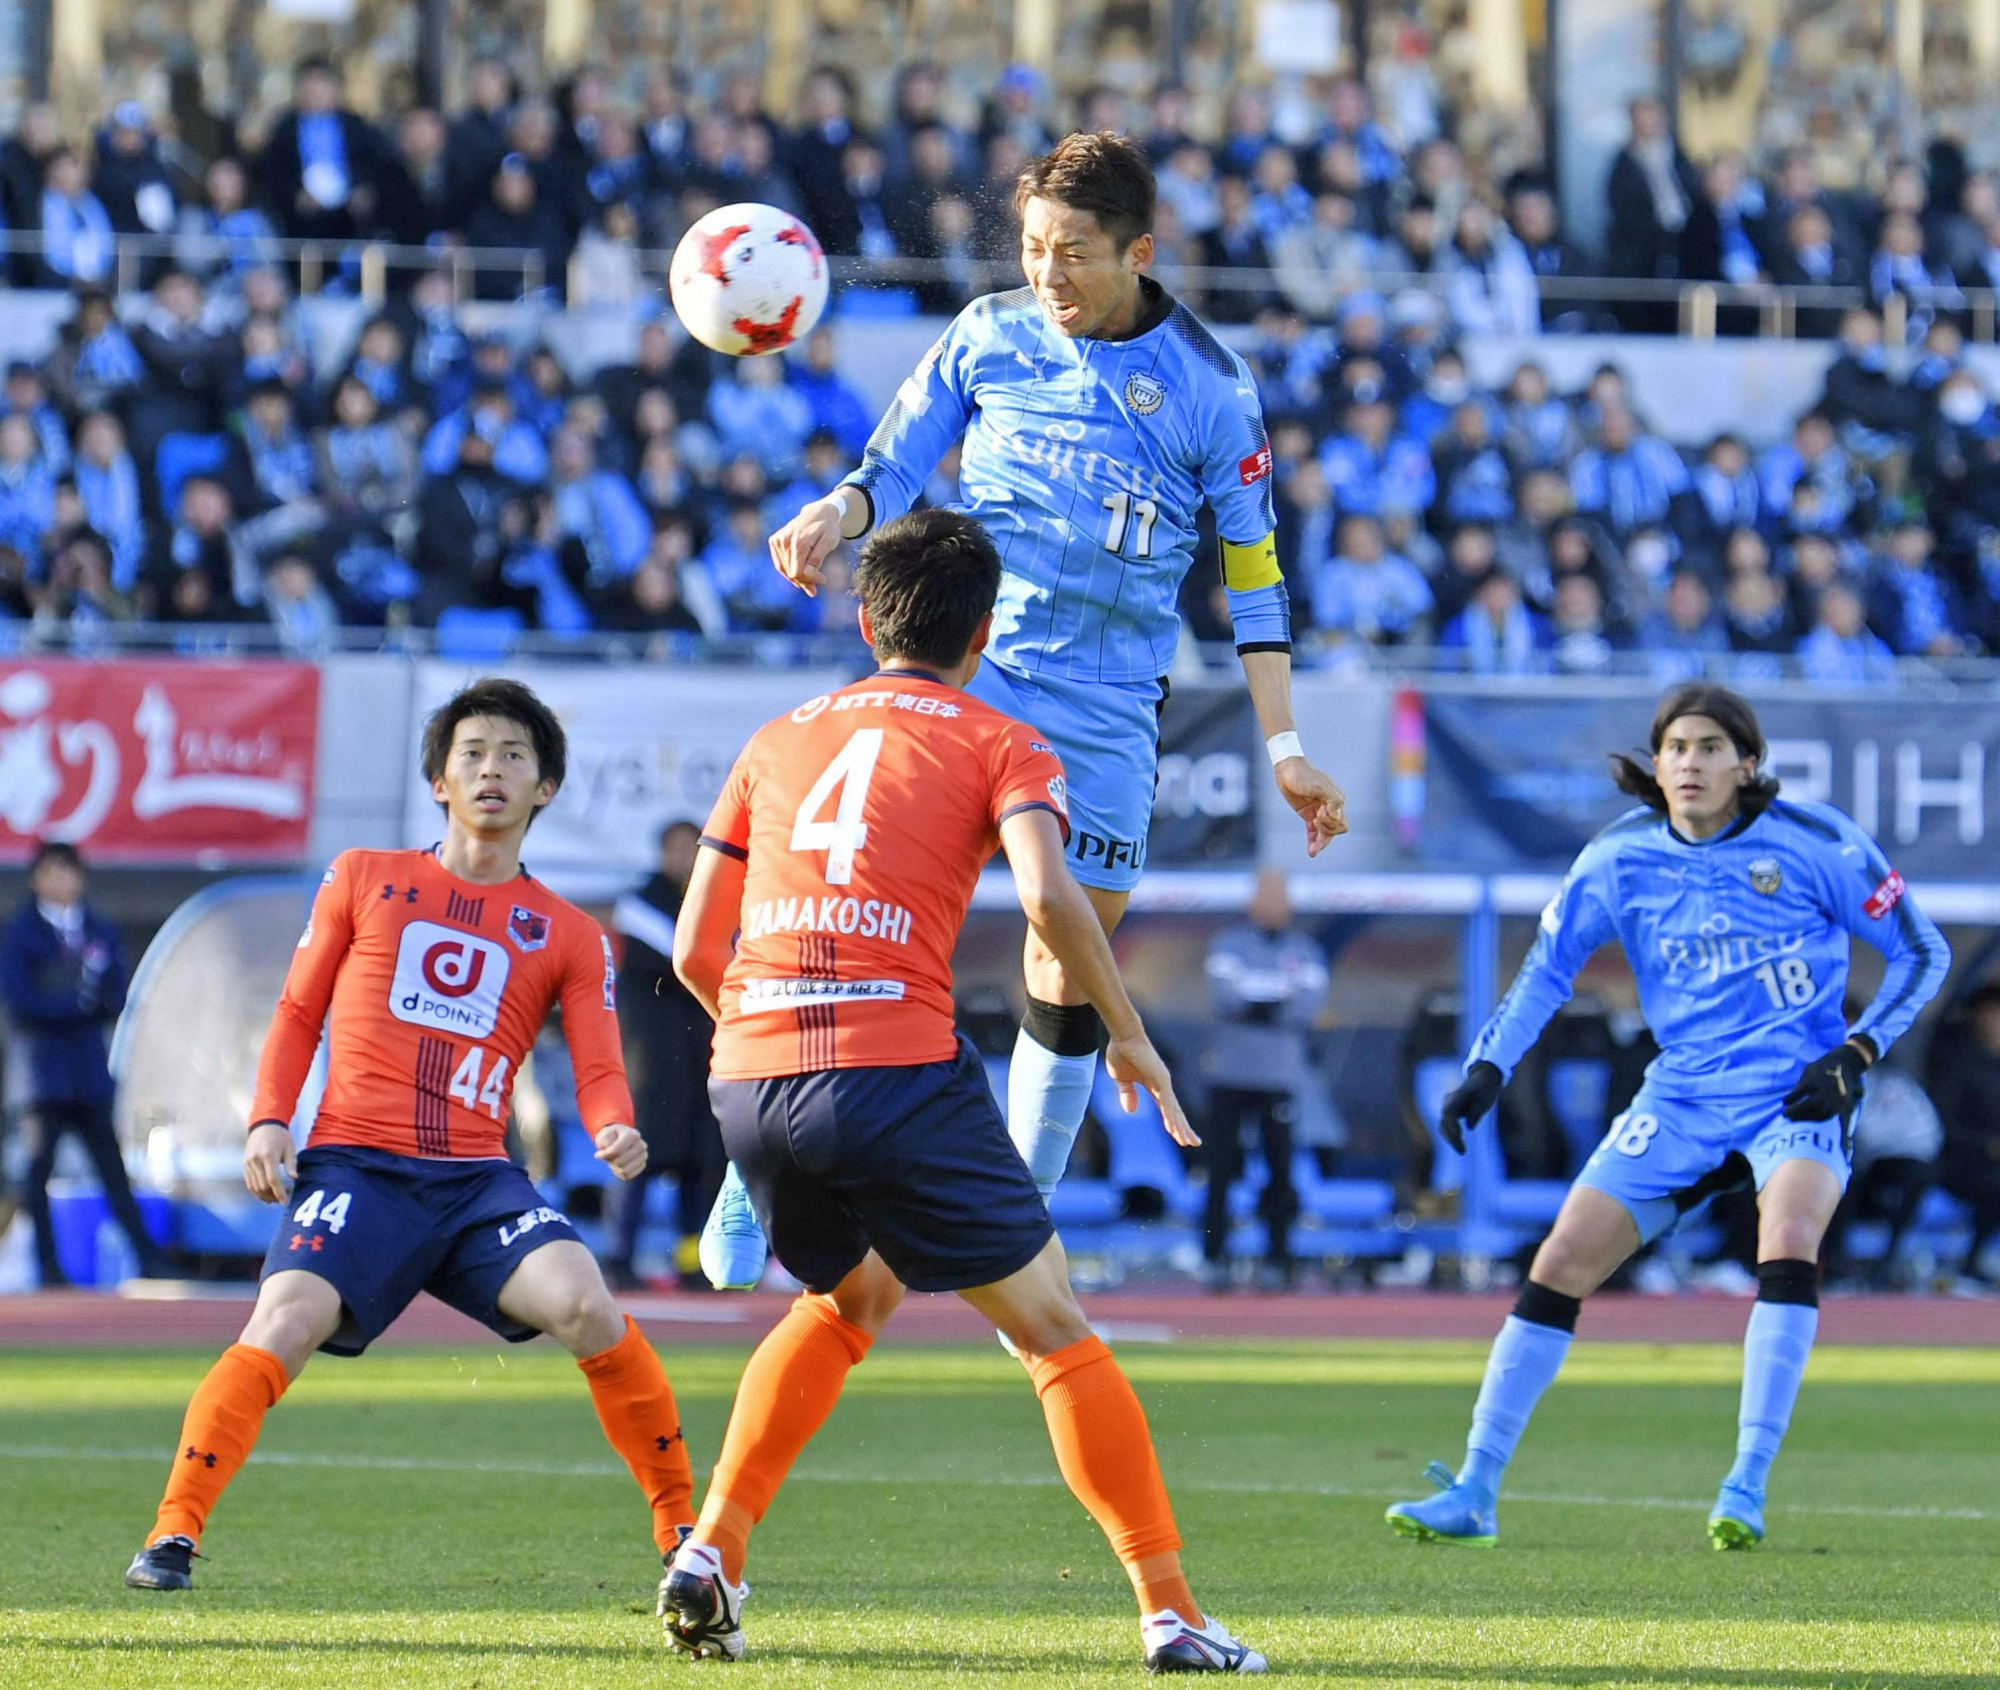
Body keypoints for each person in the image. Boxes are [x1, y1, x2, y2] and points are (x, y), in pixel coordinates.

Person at [712, 128, 1344, 1286]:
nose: (1046, 274)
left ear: (1139, 252)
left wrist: (1285, 746)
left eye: (1074, 254)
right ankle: (758, 1172)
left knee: (1071, 951)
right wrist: (833, 516)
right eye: (1034, 247)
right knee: (854, 901)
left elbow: (1252, 581)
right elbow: (893, 465)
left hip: (1107, 700)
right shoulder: (987, 333)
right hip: (969, 664)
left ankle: (1017, 1202)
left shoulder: (1211, 390)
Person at [664, 508, 1263, 1674]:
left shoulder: (775, 737)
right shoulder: (1003, 738)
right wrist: (1128, 1034)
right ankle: (1171, 1613)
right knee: (1052, 1332)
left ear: (863, 616)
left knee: (848, 1303)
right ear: (984, 632)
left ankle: (713, 1551)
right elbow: (1048, 900)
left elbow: (695, 949)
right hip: (892, 1066)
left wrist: (769, 1042)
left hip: (750, 1071)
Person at [122, 680, 696, 1595]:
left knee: (588, 1303)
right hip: (358, 1167)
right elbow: (299, 1005)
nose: (491, 770)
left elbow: (596, 1066)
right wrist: (270, 1115)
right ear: (439, 778)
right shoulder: (363, 877)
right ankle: (172, 1534)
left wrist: (614, 1126)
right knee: (284, 1320)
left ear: (545, 786)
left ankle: (683, 1538)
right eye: (472, 753)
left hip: (478, 1184)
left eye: (514, 755)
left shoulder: (572, 934)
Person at [1387, 684, 1947, 1552]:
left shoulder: (1816, 841)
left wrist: (1855, 1054)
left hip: (1791, 1094)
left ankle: (1746, 1483)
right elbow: (1546, 970)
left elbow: (1922, 949)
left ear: (1746, 764)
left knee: (1790, 1233)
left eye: (1710, 746)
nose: (1691, 761)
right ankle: (1474, 1490)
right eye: (1677, 747)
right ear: (1656, 764)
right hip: (1681, 1097)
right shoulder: (1618, 858)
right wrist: (1486, 1068)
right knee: (1564, 1256)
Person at [1, 842, 167, 1287]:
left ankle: (150, 1261)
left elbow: (115, 995)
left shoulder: (98, 927)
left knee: (112, 1168)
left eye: (68, 872)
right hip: (40, 1076)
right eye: (51, 872)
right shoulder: (20, 932)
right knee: (37, 1170)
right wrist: (76, 1004)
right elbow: (20, 1003)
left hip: (88, 1072)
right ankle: (49, 1269)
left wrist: (72, 1003)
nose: (61, 881)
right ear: (36, 879)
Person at [603, 821, 723, 1291]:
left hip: (700, 1059)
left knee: (699, 1165)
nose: (686, 859)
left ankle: (690, 1262)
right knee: (639, 1160)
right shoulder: (641, 905)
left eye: (693, 849)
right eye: (676, 849)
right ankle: (620, 1256)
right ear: (661, 853)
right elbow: (686, 958)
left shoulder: (710, 905)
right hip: (649, 1062)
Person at [1199, 871, 1329, 1287]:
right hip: (1230, 1073)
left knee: (1280, 1169)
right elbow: (1225, 996)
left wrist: (1256, 1004)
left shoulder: (1304, 950)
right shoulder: (1228, 945)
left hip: (1279, 1077)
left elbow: (1305, 1007)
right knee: (1219, 1168)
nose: (1272, 905)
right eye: (1265, 896)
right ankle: (1215, 1256)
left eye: (1279, 897)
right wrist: (1273, 1003)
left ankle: (1278, 1257)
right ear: (1252, 902)